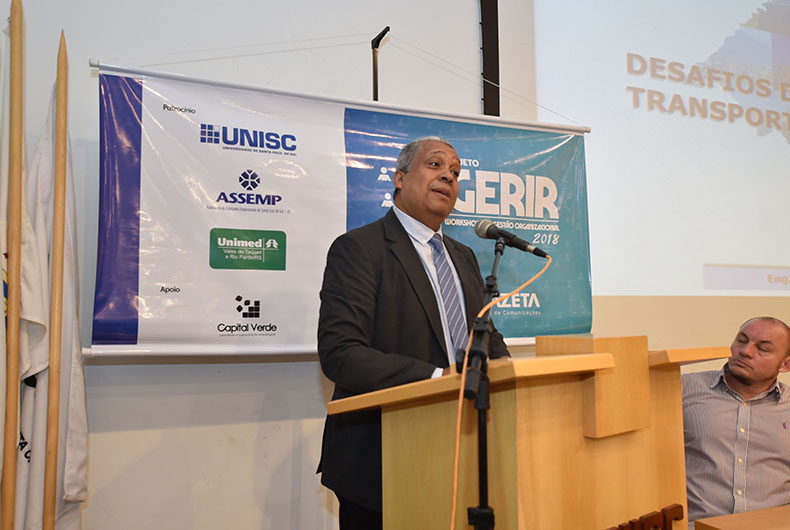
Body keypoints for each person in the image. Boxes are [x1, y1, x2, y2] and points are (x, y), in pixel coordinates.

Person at [316, 136, 510, 529]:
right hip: (380, 457)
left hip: (461, 447)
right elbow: (342, 354)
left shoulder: (464, 256)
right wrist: (439, 377)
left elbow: (483, 333)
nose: (448, 177)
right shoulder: (359, 249)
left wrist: (507, 369)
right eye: (435, 165)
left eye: (455, 172)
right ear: (399, 178)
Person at [682, 316, 790, 527]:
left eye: (763, 349)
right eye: (742, 340)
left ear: (785, 364)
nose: (746, 351)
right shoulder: (683, 389)